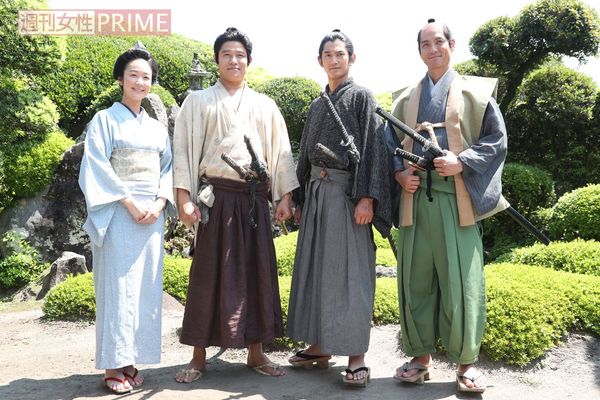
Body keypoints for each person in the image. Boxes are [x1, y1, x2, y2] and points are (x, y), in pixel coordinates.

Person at [172, 27, 299, 382]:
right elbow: (182, 152)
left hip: (254, 200)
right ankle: (198, 356)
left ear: (249, 61)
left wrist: (285, 197)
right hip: (217, 200)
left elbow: (281, 153)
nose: (234, 60)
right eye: (227, 54)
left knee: (257, 273)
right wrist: (184, 200)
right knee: (207, 276)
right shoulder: (197, 102)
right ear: (216, 60)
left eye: (240, 55)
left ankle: (256, 353)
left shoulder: (265, 105)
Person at [388, 19, 508, 394]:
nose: (433, 49)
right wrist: (399, 175)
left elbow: (496, 140)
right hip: (415, 200)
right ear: (419, 51)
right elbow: (386, 144)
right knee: (415, 280)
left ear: (451, 45)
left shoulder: (475, 94)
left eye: (439, 41)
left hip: (456, 200)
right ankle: (419, 358)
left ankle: (466, 363)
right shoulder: (405, 99)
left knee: (461, 283)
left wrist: (463, 161)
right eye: (425, 44)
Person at [286, 29, 392, 387]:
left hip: (349, 195)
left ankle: (356, 355)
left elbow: (374, 148)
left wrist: (367, 197)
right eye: (328, 55)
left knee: (350, 273)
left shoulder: (362, 97)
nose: (334, 60)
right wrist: (300, 198)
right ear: (320, 61)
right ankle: (319, 345)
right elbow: (305, 152)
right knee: (317, 269)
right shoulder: (318, 105)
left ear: (352, 58)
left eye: (340, 54)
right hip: (317, 192)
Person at [78, 45, 175, 394]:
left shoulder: (156, 128)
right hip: (119, 212)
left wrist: (161, 202)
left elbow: (168, 168)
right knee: (117, 289)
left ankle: (132, 360)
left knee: (145, 289)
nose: (140, 82)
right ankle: (112, 365)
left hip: (152, 215)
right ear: (120, 78)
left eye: (146, 77)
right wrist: (130, 203)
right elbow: (97, 167)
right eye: (133, 75)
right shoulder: (104, 120)